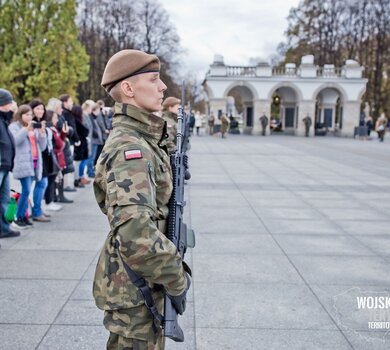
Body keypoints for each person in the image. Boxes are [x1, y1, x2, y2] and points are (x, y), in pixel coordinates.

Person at [94, 49, 190, 349]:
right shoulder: (129, 148)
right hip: (136, 286)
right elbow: (136, 234)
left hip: (141, 280)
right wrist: (177, 277)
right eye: (153, 79)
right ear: (129, 88)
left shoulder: (144, 139)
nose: (162, 86)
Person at [9, 105, 47, 229]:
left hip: (34, 163)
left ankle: (23, 216)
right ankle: (18, 216)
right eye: (26, 115)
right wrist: (26, 129)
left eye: (31, 114)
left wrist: (42, 134)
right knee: (25, 191)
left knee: (27, 191)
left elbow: (43, 146)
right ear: (20, 115)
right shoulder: (14, 126)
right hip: (22, 162)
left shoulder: (34, 127)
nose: (30, 117)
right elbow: (15, 141)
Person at [0, 88, 20, 239]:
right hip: (1, 164)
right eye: (9, 102)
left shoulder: (3, 119)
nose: (13, 104)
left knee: (5, 198)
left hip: (5, 165)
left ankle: (4, 228)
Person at [29, 99, 51, 222]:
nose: (40, 111)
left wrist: (42, 132)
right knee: (40, 184)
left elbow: (42, 146)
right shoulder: (29, 124)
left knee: (42, 183)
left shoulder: (41, 123)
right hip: (32, 159)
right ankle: (36, 212)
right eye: (37, 108)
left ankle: (37, 210)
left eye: (42, 108)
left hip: (42, 158)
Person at [71, 105, 90, 187]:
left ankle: (79, 178)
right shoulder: (76, 121)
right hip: (79, 144)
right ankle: (78, 179)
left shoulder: (75, 120)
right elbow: (85, 131)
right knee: (78, 163)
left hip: (81, 144)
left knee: (79, 163)